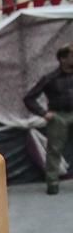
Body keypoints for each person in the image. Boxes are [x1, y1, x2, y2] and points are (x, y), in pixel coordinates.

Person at [23, 44, 73, 194]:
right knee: (54, 150)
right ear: (63, 59)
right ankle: (52, 183)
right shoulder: (50, 78)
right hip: (58, 115)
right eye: (71, 55)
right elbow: (29, 98)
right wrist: (43, 113)